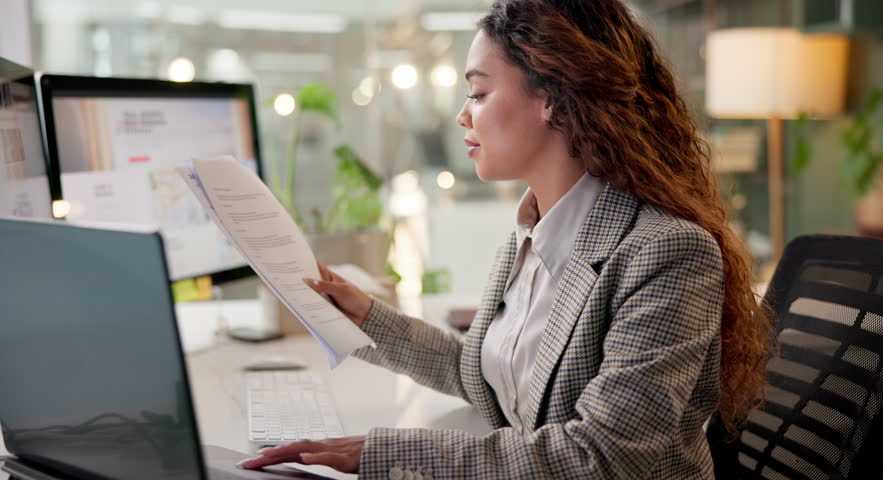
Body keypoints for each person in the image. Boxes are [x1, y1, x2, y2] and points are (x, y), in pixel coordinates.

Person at [239, 0, 774, 478]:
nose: (462, 114)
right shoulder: (530, 233)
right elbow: (483, 375)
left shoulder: (668, 252)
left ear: (552, 97)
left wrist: (385, 454)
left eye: (478, 91)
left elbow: (605, 456)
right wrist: (364, 316)